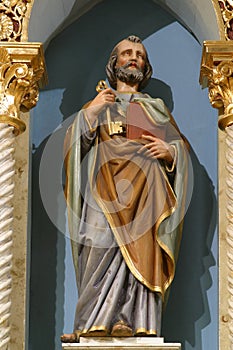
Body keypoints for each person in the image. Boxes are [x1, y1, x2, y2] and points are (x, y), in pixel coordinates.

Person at [61, 35, 189, 342]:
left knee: (142, 249)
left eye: (140, 55)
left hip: (146, 188)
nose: (133, 58)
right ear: (114, 63)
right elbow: (72, 150)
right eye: (127, 53)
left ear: (145, 67)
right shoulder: (97, 104)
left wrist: (170, 150)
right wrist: (91, 112)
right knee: (98, 246)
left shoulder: (155, 108)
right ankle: (91, 322)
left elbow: (179, 147)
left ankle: (135, 321)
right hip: (103, 189)